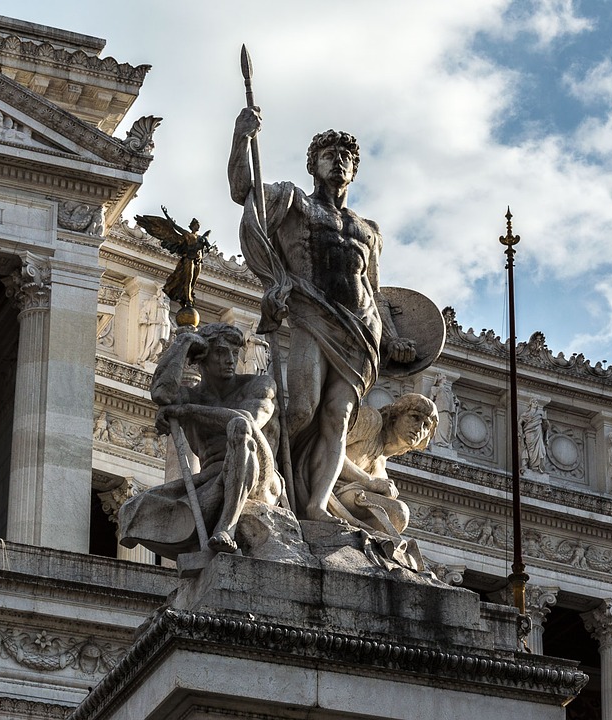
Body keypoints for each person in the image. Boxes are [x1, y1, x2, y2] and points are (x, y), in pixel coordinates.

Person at [229, 107, 416, 522]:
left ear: (354, 171)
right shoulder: (293, 202)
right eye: (330, 155)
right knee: (301, 410)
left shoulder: (368, 229)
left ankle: (315, 504)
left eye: (347, 158)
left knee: (339, 417)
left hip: (361, 330)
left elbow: (374, 288)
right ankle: (263, 472)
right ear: (313, 165)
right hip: (312, 316)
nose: (340, 162)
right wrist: (242, 138)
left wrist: (390, 338)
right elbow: (243, 190)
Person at [118, 323, 282, 557]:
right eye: (220, 352)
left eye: (234, 353)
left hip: (259, 477)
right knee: (131, 511)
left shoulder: (258, 385)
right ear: (201, 357)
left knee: (238, 426)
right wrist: (184, 342)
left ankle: (227, 527)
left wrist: (187, 411)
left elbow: (247, 420)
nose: (230, 360)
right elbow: (161, 394)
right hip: (211, 479)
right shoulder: (190, 395)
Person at [334, 393, 438, 538]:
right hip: (327, 490)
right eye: (415, 417)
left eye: (426, 425)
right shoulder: (371, 420)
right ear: (396, 415)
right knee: (399, 512)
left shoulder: (382, 470)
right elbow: (328, 446)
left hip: (347, 501)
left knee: (397, 516)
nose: (419, 428)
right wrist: (369, 481)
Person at [428, 373, 458, 448]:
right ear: (440, 379)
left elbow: (454, 401)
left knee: (448, 426)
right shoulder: (435, 389)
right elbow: (431, 400)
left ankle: (445, 442)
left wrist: (456, 402)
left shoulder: (448, 390)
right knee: (440, 425)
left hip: (448, 411)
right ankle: (439, 442)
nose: (445, 379)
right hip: (440, 410)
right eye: (444, 378)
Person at [519, 397, 548, 473]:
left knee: (541, 451)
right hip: (529, 432)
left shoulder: (540, 414)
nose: (535, 403)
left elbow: (545, 427)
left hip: (538, 433)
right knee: (531, 450)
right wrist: (520, 433)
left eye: (536, 402)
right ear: (530, 404)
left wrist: (545, 420)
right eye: (534, 402)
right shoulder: (526, 414)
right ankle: (531, 466)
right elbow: (519, 423)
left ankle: (536, 467)